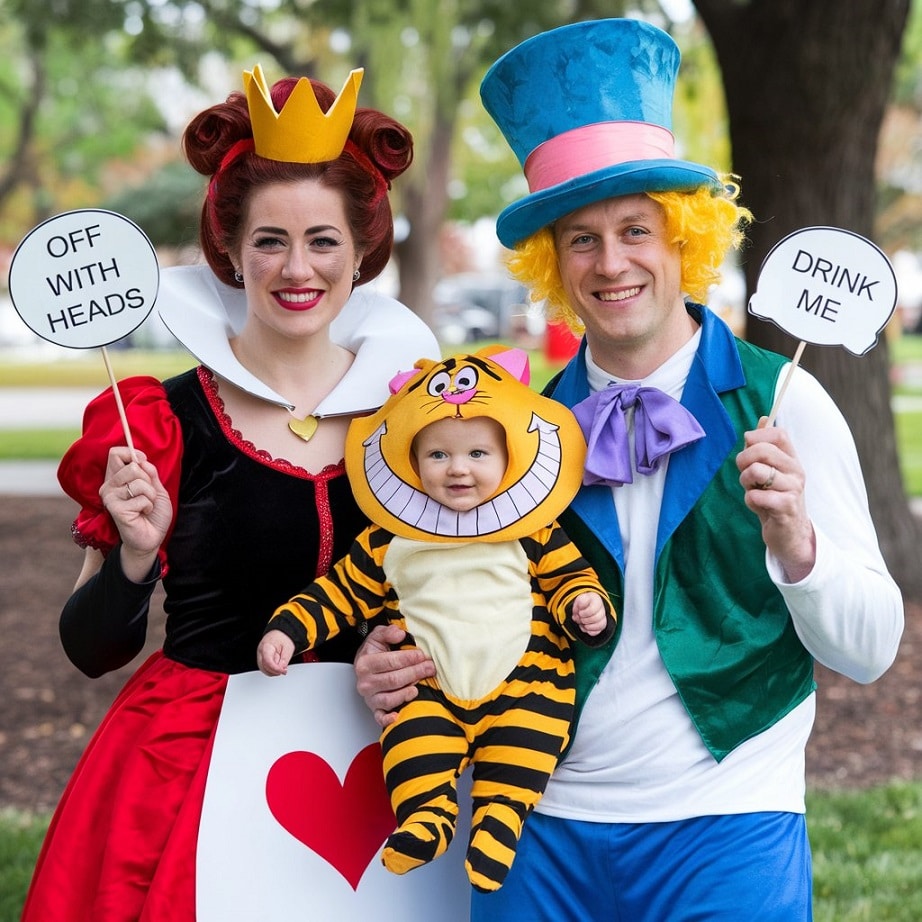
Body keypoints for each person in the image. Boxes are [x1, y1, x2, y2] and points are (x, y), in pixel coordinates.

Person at [355, 18, 904, 920]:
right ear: (552, 263)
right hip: (530, 822)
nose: (612, 264)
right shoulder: (510, 430)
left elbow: (872, 648)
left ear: (682, 238)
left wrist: (799, 545)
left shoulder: (785, 404)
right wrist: (387, 658)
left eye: (636, 230)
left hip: (729, 822)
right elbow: (438, 582)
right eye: (581, 239)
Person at [21, 62, 439, 921]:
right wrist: (135, 559)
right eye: (270, 241)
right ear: (230, 250)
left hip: (394, 768)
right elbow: (92, 649)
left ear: (362, 251)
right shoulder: (155, 423)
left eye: (323, 240)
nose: (297, 268)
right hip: (191, 770)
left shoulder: (424, 416)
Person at [258, 345, 617, 892]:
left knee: (529, 742)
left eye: (478, 453)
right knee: (411, 743)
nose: (458, 470)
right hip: (430, 688)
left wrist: (584, 606)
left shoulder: (532, 529)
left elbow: (571, 578)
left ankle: (502, 817)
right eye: (439, 456)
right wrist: (287, 628)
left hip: (524, 685)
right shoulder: (390, 540)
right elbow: (340, 592)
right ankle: (427, 816)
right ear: (412, 462)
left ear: (507, 460)